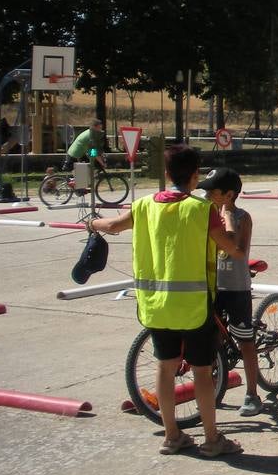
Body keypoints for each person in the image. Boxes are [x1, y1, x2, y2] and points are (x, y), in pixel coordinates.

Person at [90, 144, 247, 457]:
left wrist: (92, 223)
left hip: (155, 305)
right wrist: (229, 217)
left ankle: (172, 436)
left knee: (165, 367)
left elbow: (112, 226)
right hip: (194, 306)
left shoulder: (144, 205)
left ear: (166, 174)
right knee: (202, 371)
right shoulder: (203, 210)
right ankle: (212, 439)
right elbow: (235, 249)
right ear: (194, 175)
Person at [198, 167, 263, 416]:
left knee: (245, 340)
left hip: (235, 286)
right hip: (212, 286)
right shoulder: (204, 213)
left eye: (211, 192)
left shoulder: (241, 217)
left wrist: (225, 217)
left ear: (229, 195)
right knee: (211, 338)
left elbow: (237, 248)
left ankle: (252, 394)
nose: (206, 196)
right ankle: (213, 386)